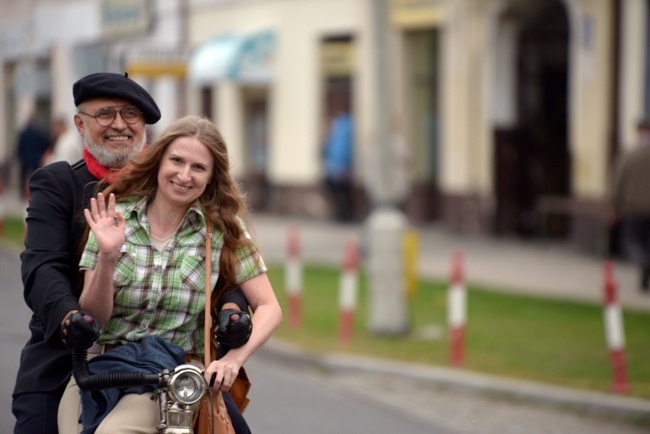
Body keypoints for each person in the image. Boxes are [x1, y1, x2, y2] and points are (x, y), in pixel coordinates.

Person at [57, 115, 282, 433]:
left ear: (211, 177)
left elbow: (270, 308)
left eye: (198, 167)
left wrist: (233, 360)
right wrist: (108, 257)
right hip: (99, 368)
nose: (184, 175)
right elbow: (94, 316)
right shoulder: (115, 217)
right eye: (177, 160)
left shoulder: (220, 230)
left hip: (172, 377)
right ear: (159, 159)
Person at [11, 72, 162, 434]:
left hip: (156, 361)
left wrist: (233, 309)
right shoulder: (57, 183)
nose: (119, 125)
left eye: (130, 114)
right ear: (80, 123)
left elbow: (219, 252)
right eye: (105, 114)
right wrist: (69, 317)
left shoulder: (172, 186)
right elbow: (42, 267)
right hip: (68, 356)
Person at [612, 119, 650, 293]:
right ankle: (645, 270)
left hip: (633, 207)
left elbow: (618, 183)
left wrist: (615, 206)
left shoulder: (630, 156)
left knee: (632, 242)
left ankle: (644, 263)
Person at [322, 102, 354, 222]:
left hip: (338, 165)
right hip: (339, 165)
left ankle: (344, 215)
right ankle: (343, 215)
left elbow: (339, 148)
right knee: (341, 192)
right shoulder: (345, 125)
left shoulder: (342, 126)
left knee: (340, 192)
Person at [16, 113, 50, 195]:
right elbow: (45, 145)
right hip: (36, 158)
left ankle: (22, 193)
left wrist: (19, 156)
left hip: (25, 159)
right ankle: (37, 191)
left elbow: (19, 147)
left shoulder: (23, 133)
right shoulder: (40, 133)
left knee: (23, 177)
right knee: (37, 177)